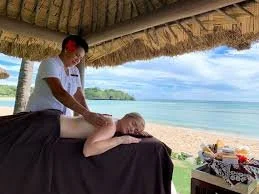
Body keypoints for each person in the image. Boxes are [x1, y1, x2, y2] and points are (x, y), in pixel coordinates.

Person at [26, 35, 107, 127]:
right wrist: (87, 114)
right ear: (67, 49)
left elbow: (79, 97)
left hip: (62, 120)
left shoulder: (75, 71)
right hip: (40, 118)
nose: (78, 60)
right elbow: (59, 92)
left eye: (80, 58)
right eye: (77, 55)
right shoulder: (50, 63)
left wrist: (92, 116)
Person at [60, 112, 148, 157]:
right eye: (133, 124)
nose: (132, 130)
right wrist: (121, 139)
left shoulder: (113, 120)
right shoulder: (111, 126)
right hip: (52, 126)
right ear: (127, 116)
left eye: (136, 131)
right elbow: (88, 151)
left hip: (56, 119)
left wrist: (140, 132)